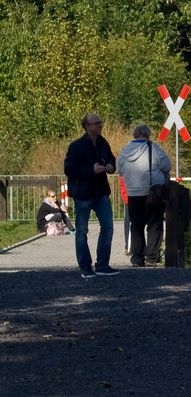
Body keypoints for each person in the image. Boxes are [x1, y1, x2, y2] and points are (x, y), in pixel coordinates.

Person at [63, 112, 118, 278]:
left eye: (100, 122)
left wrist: (110, 166)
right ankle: (85, 267)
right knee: (81, 231)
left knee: (108, 227)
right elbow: (69, 169)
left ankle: (102, 264)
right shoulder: (76, 146)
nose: (100, 125)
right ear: (87, 126)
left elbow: (111, 159)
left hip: (101, 192)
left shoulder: (103, 143)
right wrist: (90, 170)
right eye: (96, 123)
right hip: (83, 194)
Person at [116, 123, 172, 268]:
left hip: (133, 193)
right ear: (148, 135)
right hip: (152, 193)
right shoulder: (153, 148)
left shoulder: (124, 150)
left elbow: (120, 170)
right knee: (154, 224)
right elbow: (167, 166)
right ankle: (152, 257)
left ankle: (137, 257)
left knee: (136, 225)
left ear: (135, 135)